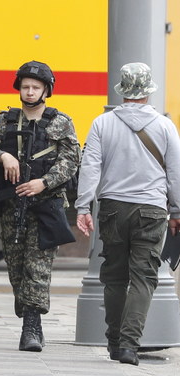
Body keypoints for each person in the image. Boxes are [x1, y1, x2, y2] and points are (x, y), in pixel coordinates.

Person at [75, 62, 180, 366]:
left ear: (122, 90)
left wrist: (83, 207)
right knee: (144, 278)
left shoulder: (102, 124)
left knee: (114, 277)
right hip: (151, 210)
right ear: (148, 91)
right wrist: (176, 210)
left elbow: (91, 167)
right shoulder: (164, 126)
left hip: (112, 209)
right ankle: (129, 346)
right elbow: (175, 173)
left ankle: (113, 341)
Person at [0, 61, 80, 352]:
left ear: (46, 90)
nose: (30, 92)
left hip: (46, 205)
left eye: (35, 87)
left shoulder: (61, 122)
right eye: (25, 87)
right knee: (16, 267)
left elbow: (71, 160)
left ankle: (32, 327)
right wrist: (3, 157)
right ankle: (26, 311)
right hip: (12, 205)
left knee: (38, 265)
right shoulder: (6, 120)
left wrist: (44, 182)